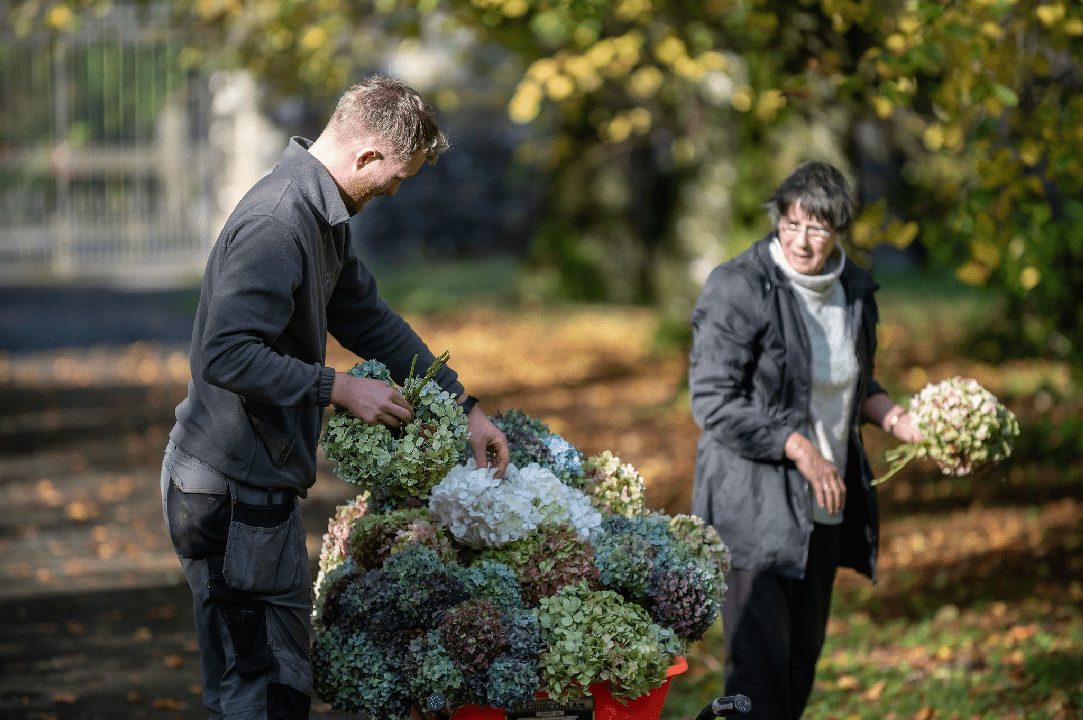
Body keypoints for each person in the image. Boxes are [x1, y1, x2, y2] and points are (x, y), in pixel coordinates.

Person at [159, 75, 511, 720]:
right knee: (261, 689)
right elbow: (224, 353)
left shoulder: (322, 216)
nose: (395, 191)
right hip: (230, 492)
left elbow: (368, 319)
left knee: (281, 681)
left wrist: (465, 408)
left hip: (256, 488)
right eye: (396, 176)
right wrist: (338, 387)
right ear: (368, 155)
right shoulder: (278, 219)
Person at [688, 160, 921, 719]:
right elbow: (712, 399)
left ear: (838, 229)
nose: (800, 239)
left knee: (796, 677)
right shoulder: (739, 287)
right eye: (790, 223)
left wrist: (899, 420)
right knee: (756, 683)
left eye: (816, 228)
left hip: (822, 512)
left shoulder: (855, 292)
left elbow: (853, 381)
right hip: (752, 510)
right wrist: (799, 447)